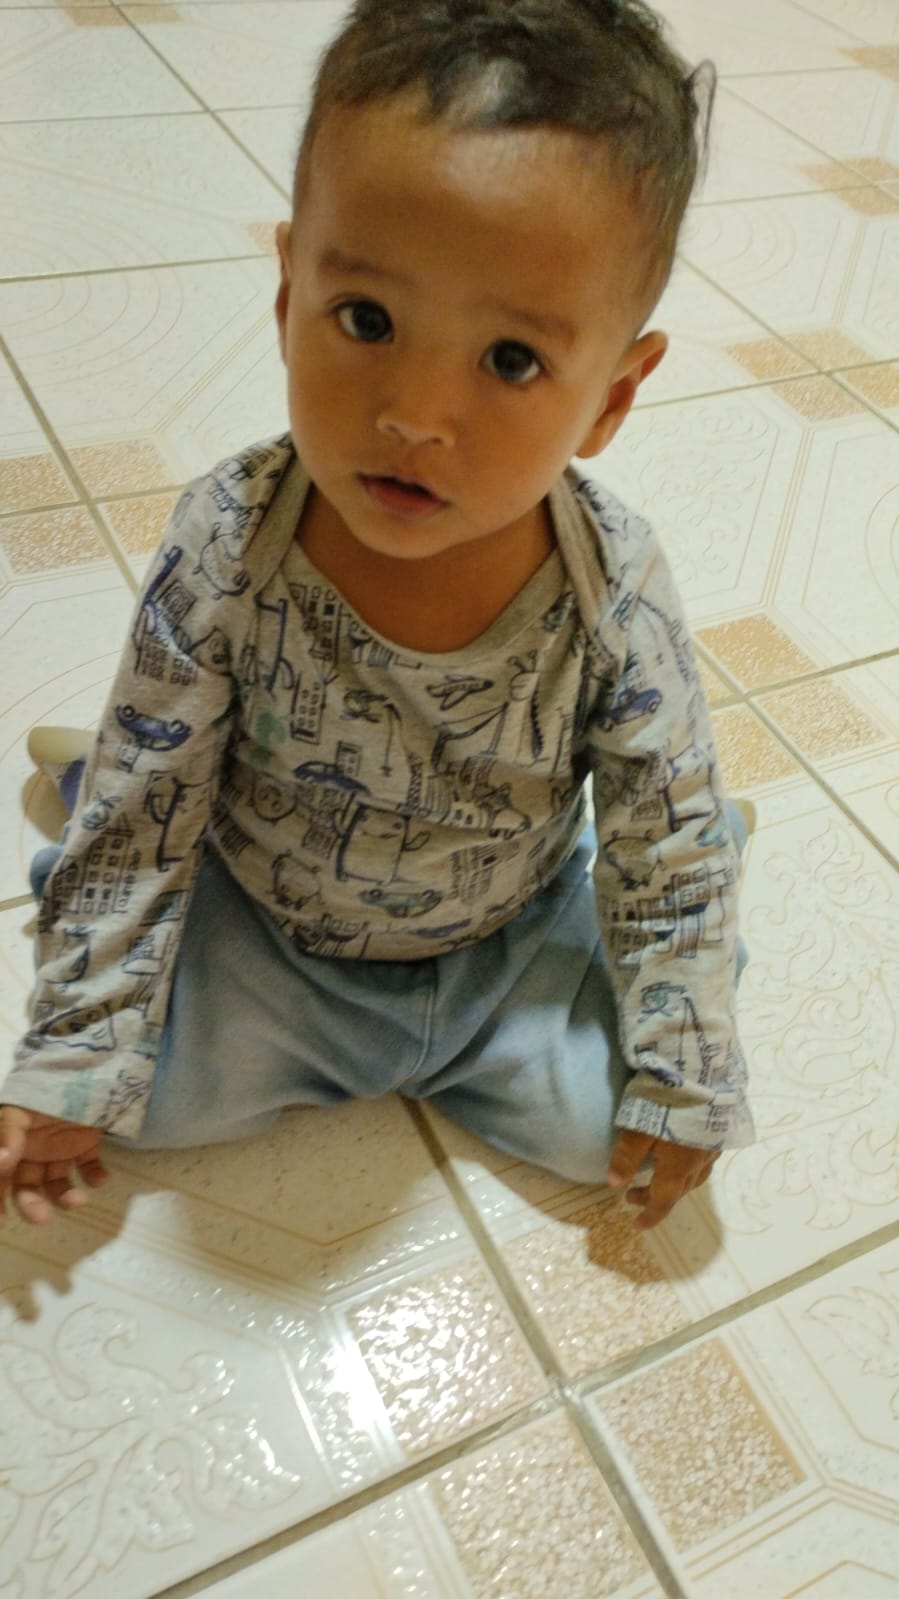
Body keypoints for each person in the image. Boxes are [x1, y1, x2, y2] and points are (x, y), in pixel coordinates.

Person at [0, 0, 755, 1234]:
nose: (413, 414)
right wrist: (82, 1051)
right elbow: (147, 830)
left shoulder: (612, 588)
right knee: (128, 1087)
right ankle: (109, 761)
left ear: (612, 397)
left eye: (509, 360)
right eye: (365, 320)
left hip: (504, 945)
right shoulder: (230, 537)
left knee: (605, 1123)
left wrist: (682, 1073)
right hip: (267, 929)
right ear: (287, 289)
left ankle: (704, 814)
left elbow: (657, 865)